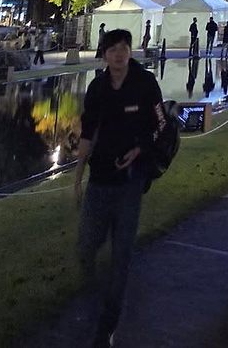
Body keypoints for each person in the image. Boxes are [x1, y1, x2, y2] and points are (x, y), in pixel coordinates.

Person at [73, 27, 168, 348]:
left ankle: (108, 321)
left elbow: (161, 124)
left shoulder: (145, 84)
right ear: (104, 54)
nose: (118, 54)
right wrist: (78, 175)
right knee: (87, 246)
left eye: (123, 48)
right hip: (100, 178)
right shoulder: (98, 87)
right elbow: (88, 130)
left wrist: (140, 148)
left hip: (130, 181)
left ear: (130, 51)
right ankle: (96, 297)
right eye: (112, 49)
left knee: (122, 251)